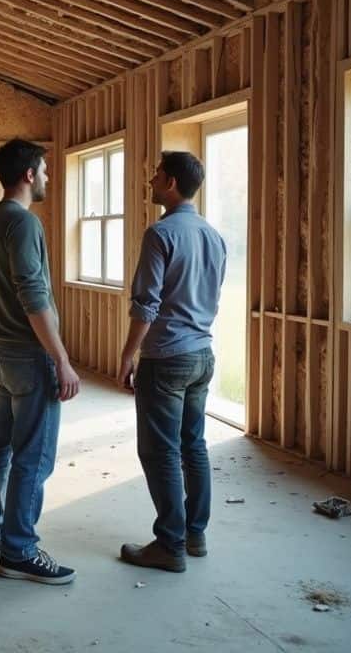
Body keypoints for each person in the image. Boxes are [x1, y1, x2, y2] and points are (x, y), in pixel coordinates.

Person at [0, 139, 81, 585]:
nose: (49, 178)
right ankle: (19, 551)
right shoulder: (23, 223)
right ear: (30, 174)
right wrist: (62, 359)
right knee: (33, 455)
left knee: (0, 445)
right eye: (46, 170)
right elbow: (33, 296)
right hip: (26, 354)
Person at [116, 151, 227, 573]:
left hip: (166, 357)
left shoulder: (161, 233)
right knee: (192, 445)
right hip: (202, 354)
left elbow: (147, 304)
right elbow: (211, 295)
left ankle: (169, 545)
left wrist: (129, 355)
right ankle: (194, 533)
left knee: (160, 451)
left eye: (157, 174)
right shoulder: (213, 235)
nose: (151, 180)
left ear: (173, 184)